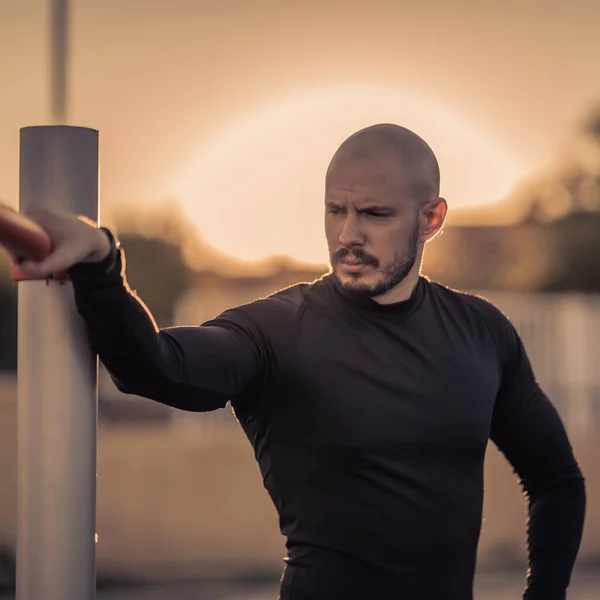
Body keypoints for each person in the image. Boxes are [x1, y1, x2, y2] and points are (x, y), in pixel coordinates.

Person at [15, 124, 585, 600]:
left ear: (431, 219)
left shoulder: (482, 331)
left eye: (375, 214)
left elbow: (556, 481)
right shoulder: (279, 330)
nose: (347, 234)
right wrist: (100, 261)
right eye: (336, 210)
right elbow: (155, 366)